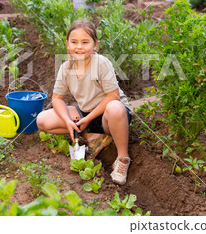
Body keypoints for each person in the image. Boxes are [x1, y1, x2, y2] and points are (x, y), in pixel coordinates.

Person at [36, 19, 133, 185]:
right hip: (86, 113)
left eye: (85, 42)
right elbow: (57, 98)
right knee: (42, 120)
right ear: (67, 44)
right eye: (74, 42)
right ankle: (93, 137)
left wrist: (87, 119)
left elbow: (113, 95)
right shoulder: (66, 68)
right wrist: (68, 121)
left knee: (115, 108)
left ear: (95, 45)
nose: (79, 47)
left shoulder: (101, 63)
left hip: (109, 116)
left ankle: (122, 158)